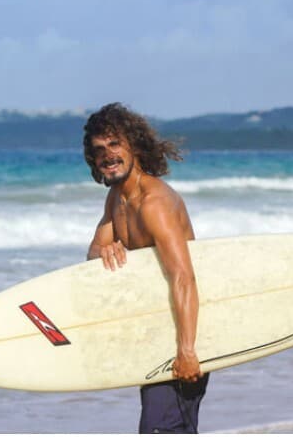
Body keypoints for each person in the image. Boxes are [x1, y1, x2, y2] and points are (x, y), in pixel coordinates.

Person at [82, 103, 206, 434]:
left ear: (134, 146)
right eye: (99, 149)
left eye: (114, 144)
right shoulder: (117, 200)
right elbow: (92, 254)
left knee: (159, 429)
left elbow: (183, 276)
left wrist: (187, 350)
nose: (107, 155)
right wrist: (105, 250)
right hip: (157, 329)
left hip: (186, 331)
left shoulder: (155, 203)